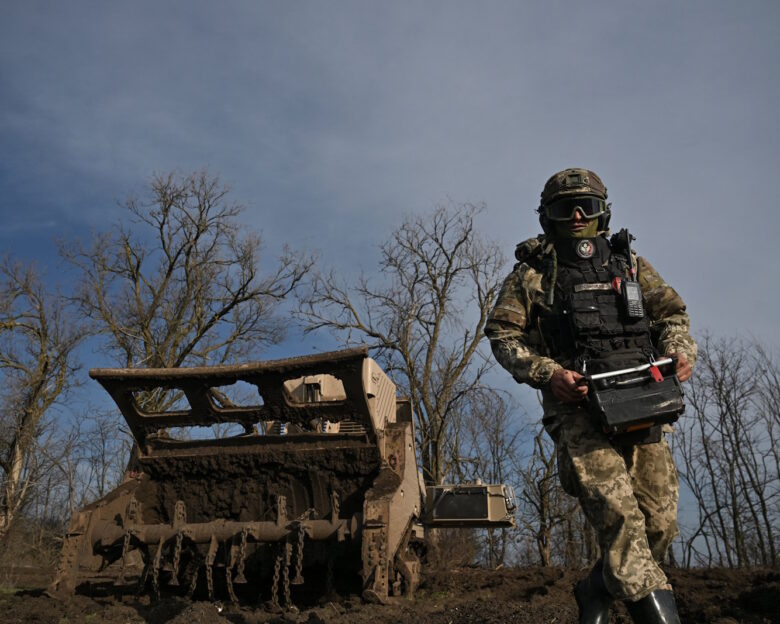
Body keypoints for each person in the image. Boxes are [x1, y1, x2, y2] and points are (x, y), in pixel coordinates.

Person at [484, 168, 696, 624]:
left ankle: (594, 587)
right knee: (621, 519)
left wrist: (679, 351)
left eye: (588, 207)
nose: (577, 216)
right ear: (548, 218)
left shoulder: (631, 264)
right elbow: (503, 335)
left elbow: (672, 315)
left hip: (642, 403)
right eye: (566, 209)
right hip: (578, 412)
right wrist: (547, 372)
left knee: (657, 526)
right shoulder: (531, 275)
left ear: (604, 212)